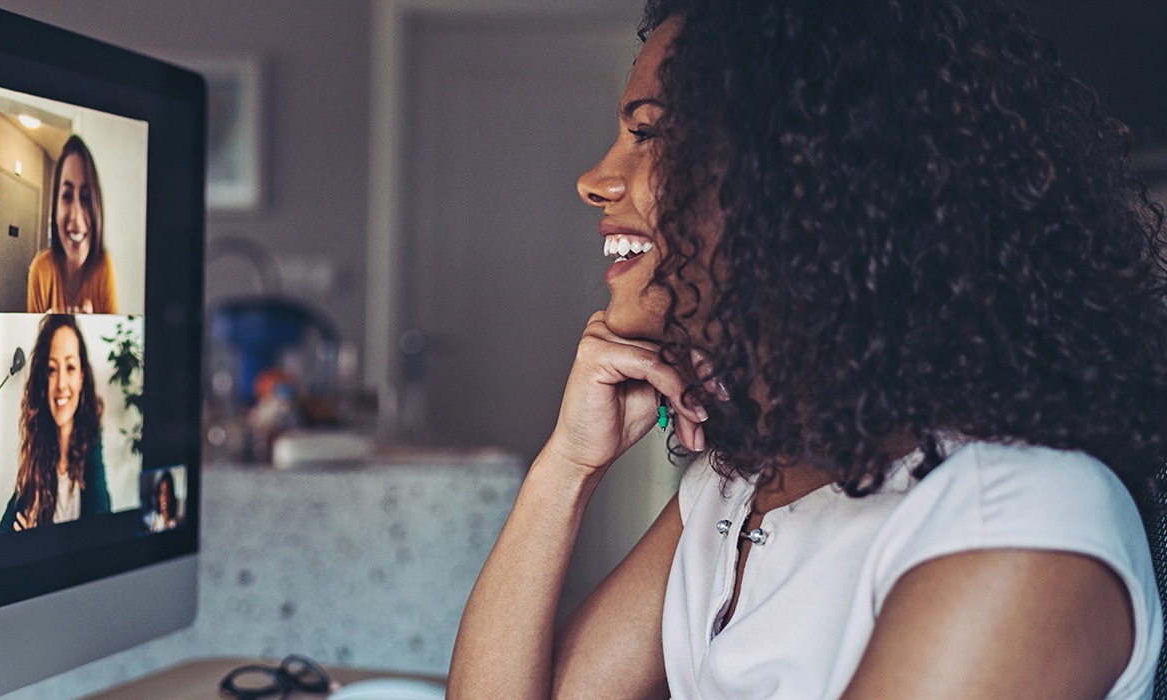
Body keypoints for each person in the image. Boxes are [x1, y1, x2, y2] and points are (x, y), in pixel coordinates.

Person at [449, 1, 1167, 698]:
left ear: (801, 178)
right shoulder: (743, 480)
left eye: (653, 135)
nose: (595, 180)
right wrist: (566, 468)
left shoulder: (1014, 525)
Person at [0, 315, 112, 532]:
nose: (61, 384)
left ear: (81, 377)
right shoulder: (36, 455)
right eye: (52, 370)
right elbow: (1, 533)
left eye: (69, 367)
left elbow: (101, 529)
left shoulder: (92, 441)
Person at [26, 135, 118, 314]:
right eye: (67, 196)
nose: (76, 217)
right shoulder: (40, 270)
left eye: (85, 198)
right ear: (55, 206)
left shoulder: (105, 267)